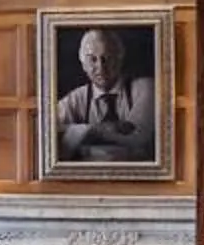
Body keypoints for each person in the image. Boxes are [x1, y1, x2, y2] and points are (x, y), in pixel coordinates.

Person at [55, 25, 157, 163]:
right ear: (83, 65)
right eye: (92, 59)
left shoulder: (145, 87)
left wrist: (80, 134)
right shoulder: (76, 98)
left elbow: (138, 141)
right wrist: (98, 129)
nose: (100, 67)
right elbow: (47, 128)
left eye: (107, 57)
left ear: (120, 58)